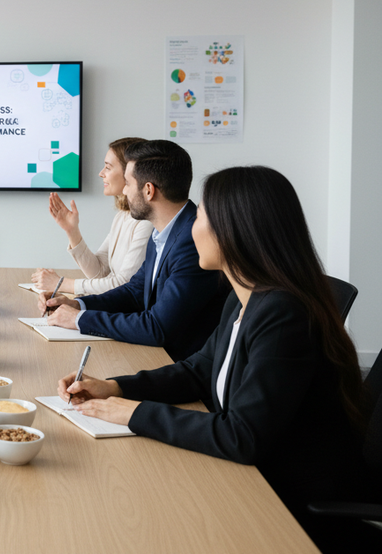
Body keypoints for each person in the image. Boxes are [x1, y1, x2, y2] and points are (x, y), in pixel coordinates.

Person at [57, 166, 373, 551]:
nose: (192, 226)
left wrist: (132, 413)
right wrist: (114, 386)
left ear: (235, 229)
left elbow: (242, 435)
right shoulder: (244, 296)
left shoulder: (284, 314)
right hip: (250, 477)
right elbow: (198, 370)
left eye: (201, 216)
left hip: (284, 502)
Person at [39, 139, 225, 361]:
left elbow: (158, 327)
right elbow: (134, 291)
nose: (124, 191)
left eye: (127, 183)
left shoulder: (192, 241)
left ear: (148, 191)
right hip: (158, 356)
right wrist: (78, 304)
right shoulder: (164, 230)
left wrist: (79, 319)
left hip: (179, 366)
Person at [32, 137, 153, 296]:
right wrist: (72, 231)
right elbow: (100, 272)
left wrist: (60, 284)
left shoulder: (147, 223)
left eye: (108, 167)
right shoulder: (122, 216)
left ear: (130, 173)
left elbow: (124, 284)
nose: (101, 173)